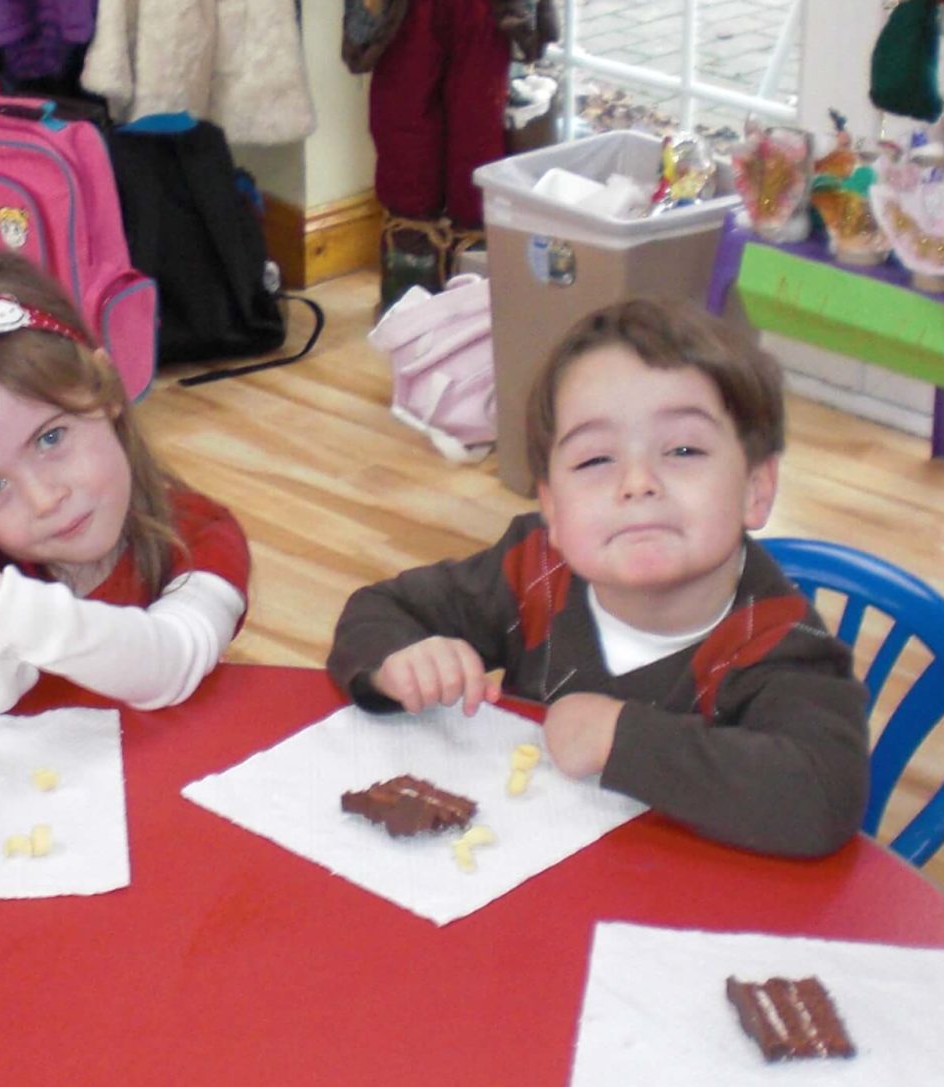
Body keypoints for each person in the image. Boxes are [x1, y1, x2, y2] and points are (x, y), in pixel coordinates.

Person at [326, 296, 867, 858]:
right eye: (594, 460)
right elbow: (379, 609)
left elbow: (822, 796)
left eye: (683, 449)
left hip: (680, 895)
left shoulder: (778, 641)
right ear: (553, 510)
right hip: (522, 865)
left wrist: (621, 739)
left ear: (756, 488)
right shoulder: (533, 568)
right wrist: (400, 661)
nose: (637, 482)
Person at [0, 251, 251, 718]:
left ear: (108, 388)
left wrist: (11, 614)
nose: (45, 499)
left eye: (50, 438)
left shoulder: (200, 535)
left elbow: (170, 662)